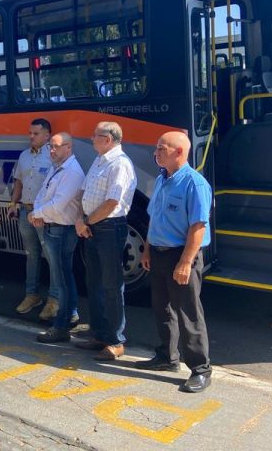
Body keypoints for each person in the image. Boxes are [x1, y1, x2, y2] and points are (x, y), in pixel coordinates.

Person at [138, 131, 213, 394]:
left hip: (180, 255)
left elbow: (198, 227)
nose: (156, 153)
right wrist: (147, 250)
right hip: (158, 253)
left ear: (179, 152)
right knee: (162, 308)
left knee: (188, 313)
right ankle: (167, 357)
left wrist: (185, 262)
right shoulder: (162, 179)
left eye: (162, 148)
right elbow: (154, 219)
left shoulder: (195, 184)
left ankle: (200, 370)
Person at [74, 121, 136, 361]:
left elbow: (112, 202)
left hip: (109, 228)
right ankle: (99, 334)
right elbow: (83, 192)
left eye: (95, 135)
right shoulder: (99, 160)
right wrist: (81, 219)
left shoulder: (120, 164)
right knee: (94, 283)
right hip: (92, 226)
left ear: (108, 139)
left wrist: (86, 222)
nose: (91, 138)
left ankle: (115, 341)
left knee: (111, 285)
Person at [31, 132, 85, 344]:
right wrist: (37, 212)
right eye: (50, 147)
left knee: (62, 279)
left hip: (62, 230)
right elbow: (42, 194)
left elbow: (58, 204)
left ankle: (61, 326)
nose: (51, 151)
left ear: (68, 148)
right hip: (53, 227)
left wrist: (36, 214)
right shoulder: (58, 168)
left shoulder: (72, 172)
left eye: (56, 146)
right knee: (63, 276)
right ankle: (70, 314)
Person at [8, 118, 60, 320]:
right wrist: (13, 203)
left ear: (47, 135)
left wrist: (45, 213)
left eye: (35, 133)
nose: (31, 136)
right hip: (25, 212)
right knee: (31, 254)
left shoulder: (53, 156)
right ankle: (32, 295)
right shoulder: (24, 156)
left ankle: (54, 300)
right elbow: (18, 182)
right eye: (30, 133)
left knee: (51, 256)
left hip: (44, 215)